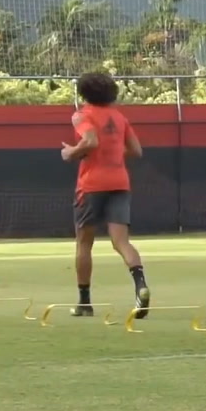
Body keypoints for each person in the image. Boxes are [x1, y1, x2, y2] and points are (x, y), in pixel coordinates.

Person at [60, 72, 150, 318]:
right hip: (119, 182)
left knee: (84, 243)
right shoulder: (120, 117)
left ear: (84, 93)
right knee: (121, 242)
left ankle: (84, 302)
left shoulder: (82, 115)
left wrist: (71, 153)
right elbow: (136, 150)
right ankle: (141, 285)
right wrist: (114, 156)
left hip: (91, 185)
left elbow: (90, 141)